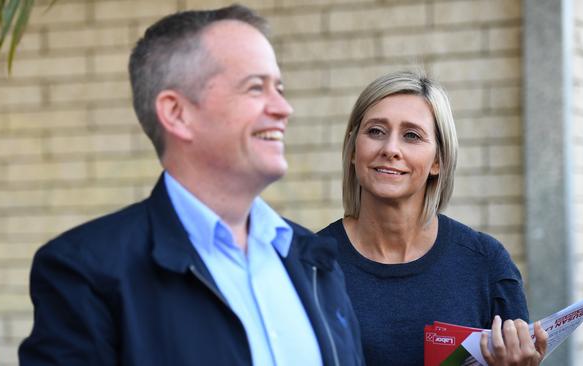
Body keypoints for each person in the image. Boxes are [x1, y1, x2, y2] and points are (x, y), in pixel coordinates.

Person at [18, 5, 362, 366]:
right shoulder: (85, 273)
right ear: (177, 113)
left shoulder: (314, 259)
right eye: (255, 88)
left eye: (279, 87)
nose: (283, 108)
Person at [318, 70, 547, 365]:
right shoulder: (307, 265)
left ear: (438, 160)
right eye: (375, 131)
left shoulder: (486, 265)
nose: (390, 149)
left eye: (411, 135)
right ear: (353, 149)